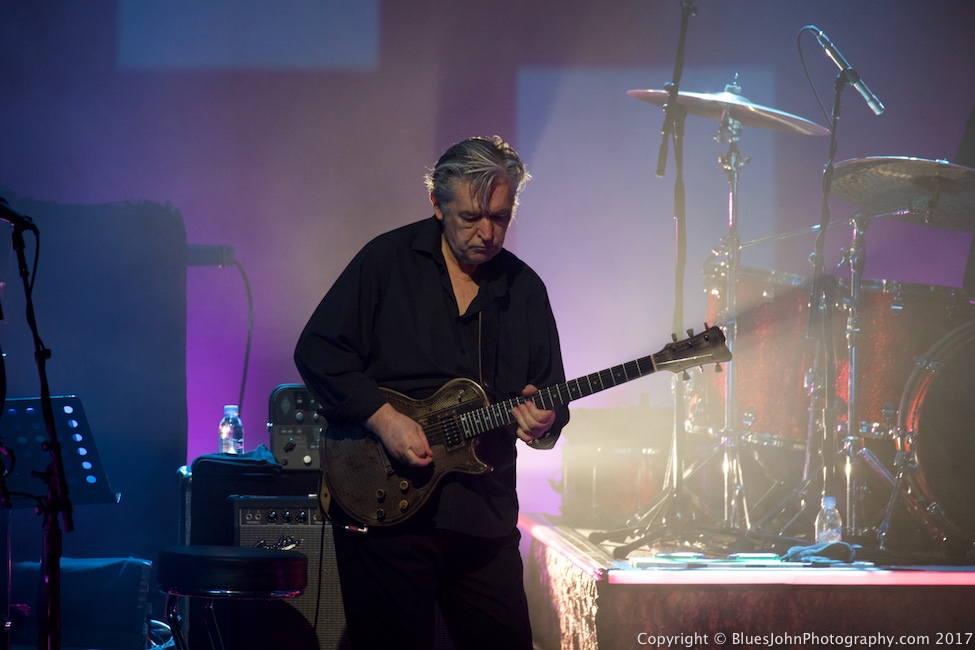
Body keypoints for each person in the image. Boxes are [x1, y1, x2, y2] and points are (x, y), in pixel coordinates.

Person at [294, 135, 569, 649]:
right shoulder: (386, 262)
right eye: (470, 217)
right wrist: (384, 419)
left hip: (483, 519)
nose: (487, 232)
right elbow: (318, 350)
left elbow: (551, 394)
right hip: (385, 512)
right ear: (437, 205)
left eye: (501, 217)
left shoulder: (525, 290)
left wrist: (544, 422)